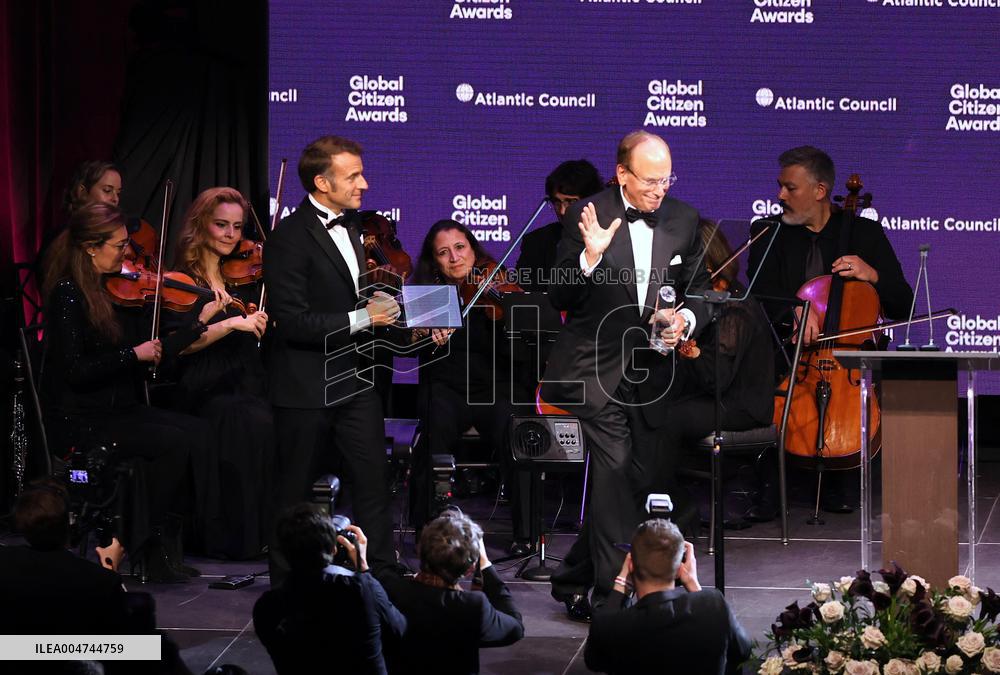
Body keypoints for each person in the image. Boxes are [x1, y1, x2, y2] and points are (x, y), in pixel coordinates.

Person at [541, 130, 710, 619]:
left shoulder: (682, 218)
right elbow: (561, 297)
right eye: (650, 180)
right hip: (593, 371)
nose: (660, 190)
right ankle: (611, 596)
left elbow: (698, 289)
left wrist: (684, 319)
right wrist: (589, 258)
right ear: (621, 174)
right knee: (614, 473)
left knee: (638, 481)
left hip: (653, 371)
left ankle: (572, 576)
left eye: (667, 179)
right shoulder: (586, 215)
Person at [41, 202, 210, 582]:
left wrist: (196, 326)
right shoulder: (68, 294)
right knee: (172, 443)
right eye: (118, 246)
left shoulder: (109, 289)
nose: (126, 253)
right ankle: (136, 544)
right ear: (89, 247)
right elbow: (75, 371)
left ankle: (158, 545)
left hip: (119, 408)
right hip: (82, 418)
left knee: (198, 433)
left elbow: (148, 352)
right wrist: (131, 354)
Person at [263, 135, 401, 583]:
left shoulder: (360, 225)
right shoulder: (288, 237)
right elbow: (292, 321)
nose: (365, 182)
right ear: (322, 182)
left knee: (373, 483)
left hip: (357, 381)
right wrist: (363, 317)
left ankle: (379, 574)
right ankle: (288, 583)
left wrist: (418, 319)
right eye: (353, 175)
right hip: (305, 384)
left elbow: (372, 297)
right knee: (294, 494)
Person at [747, 146, 913, 515]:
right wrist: (795, 314)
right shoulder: (768, 231)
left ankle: (845, 476)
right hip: (789, 354)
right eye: (780, 187)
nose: (780, 196)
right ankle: (769, 478)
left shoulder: (864, 233)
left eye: (790, 188)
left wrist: (873, 276)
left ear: (820, 191)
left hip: (847, 362)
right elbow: (759, 294)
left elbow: (905, 303)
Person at [407, 219, 531, 553]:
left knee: (519, 433)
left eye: (460, 248)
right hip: (446, 388)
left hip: (495, 387)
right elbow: (411, 348)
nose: (455, 258)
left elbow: (524, 347)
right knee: (433, 434)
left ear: (473, 249)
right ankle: (427, 527)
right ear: (435, 261)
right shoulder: (427, 292)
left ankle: (527, 534)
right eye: (443, 253)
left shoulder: (499, 284)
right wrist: (423, 334)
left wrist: (510, 315)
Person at [165, 186, 273, 559]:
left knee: (275, 414)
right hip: (205, 384)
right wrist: (231, 325)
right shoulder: (182, 281)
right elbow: (181, 347)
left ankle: (264, 533)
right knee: (245, 419)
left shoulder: (246, 276)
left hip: (247, 377)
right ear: (201, 226)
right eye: (221, 225)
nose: (230, 234)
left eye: (237, 226)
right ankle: (232, 538)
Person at [655, 220, 775, 529]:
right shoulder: (699, 300)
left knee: (670, 417)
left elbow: (717, 378)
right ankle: (650, 499)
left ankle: (673, 511)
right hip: (712, 396)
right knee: (650, 405)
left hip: (741, 403)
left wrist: (690, 351)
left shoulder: (733, 305)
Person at [584, 519, 751, 675]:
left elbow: (594, 661)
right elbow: (743, 650)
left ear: (630, 565)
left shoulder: (609, 625)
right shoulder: (715, 607)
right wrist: (693, 583)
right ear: (680, 569)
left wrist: (621, 584)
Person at [253, 504, 406, 675]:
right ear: (333, 548)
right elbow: (400, 629)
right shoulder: (362, 590)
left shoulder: (267, 607)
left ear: (281, 552)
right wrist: (363, 568)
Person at [376, 510, 524, 675]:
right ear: (470, 569)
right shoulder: (472, 607)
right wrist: (485, 563)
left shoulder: (391, 591)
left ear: (419, 551)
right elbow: (515, 628)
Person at [515, 159, 603, 292]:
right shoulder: (537, 242)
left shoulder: (617, 241)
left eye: (571, 202)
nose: (562, 211)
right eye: (557, 202)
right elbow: (525, 301)